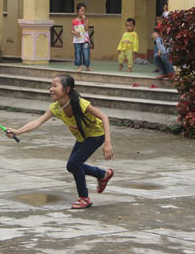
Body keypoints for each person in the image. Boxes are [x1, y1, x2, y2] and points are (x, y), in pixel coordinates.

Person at [6, 74, 114, 209]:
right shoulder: (55, 107)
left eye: (55, 86)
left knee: (74, 163)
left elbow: (104, 117)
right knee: (72, 166)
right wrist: (17, 131)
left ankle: (84, 198)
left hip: (96, 135)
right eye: (50, 86)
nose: (51, 89)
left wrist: (107, 143)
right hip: (82, 137)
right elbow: (37, 122)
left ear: (67, 89)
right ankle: (102, 174)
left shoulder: (80, 103)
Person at [71, 3, 92, 72]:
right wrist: (75, 33)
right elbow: (72, 30)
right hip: (77, 41)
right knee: (78, 53)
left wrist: (85, 20)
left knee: (86, 53)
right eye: (82, 11)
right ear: (77, 12)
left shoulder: (86, 20)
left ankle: (87, 66)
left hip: (85, 40)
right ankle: (79, 67)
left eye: (84, 11)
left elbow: (86, 29)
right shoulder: (74, 21)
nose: (83, 12)